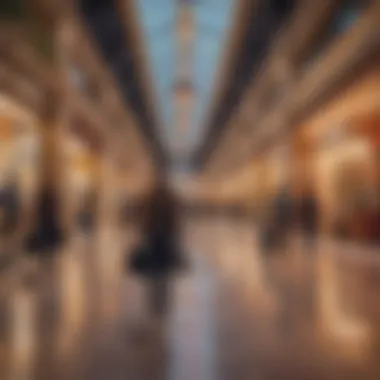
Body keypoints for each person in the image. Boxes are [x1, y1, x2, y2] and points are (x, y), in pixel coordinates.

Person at [128, 177, 184, 316]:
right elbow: (174, 218)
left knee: (155, 263)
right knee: (164, 264)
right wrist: (176, 232)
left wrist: (144, 232)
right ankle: (163, 294)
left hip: (154, 234)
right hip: (165, 235)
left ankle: (155, 292)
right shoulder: (169, 199)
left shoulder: (151, 199)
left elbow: (146, 218)